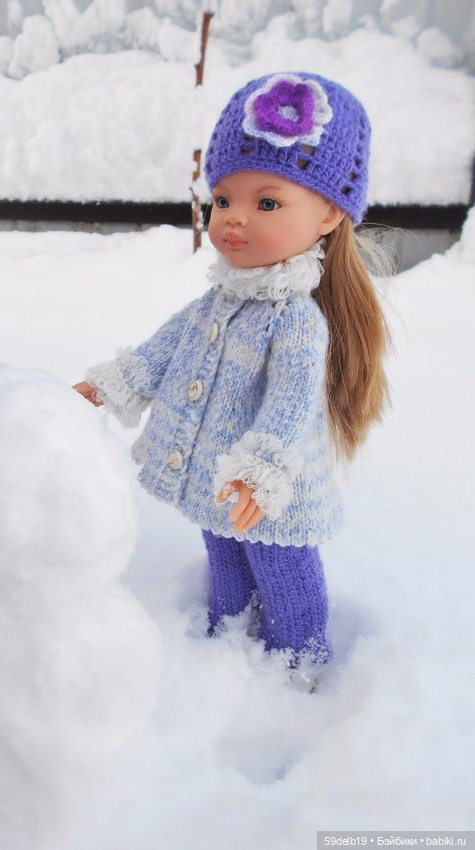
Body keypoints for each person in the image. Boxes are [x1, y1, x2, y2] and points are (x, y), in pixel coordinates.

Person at [75, 73, 389, 671]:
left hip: (272, 489)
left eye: (266, 203)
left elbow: (291, 403)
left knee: (282, 568)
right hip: (218, 481)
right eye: (223, 200)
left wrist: (261, 470)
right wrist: (115, 383)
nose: (232, 220)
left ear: (327, 214)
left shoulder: (295, 320)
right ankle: (223, 649)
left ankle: (298, 664)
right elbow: (164, 350)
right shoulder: (217, 302)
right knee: (223, 555)